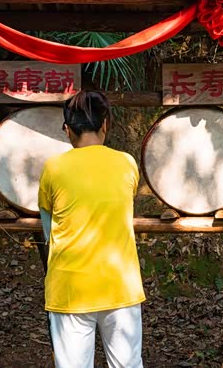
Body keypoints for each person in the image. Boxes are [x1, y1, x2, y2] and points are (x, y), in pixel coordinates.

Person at [38, 90, 145, 368]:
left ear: (67, 130)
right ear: (105, 124)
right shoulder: (127, 163)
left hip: (70, 288)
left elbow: (47, 226)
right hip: (120, 286)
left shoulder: (53, 168)